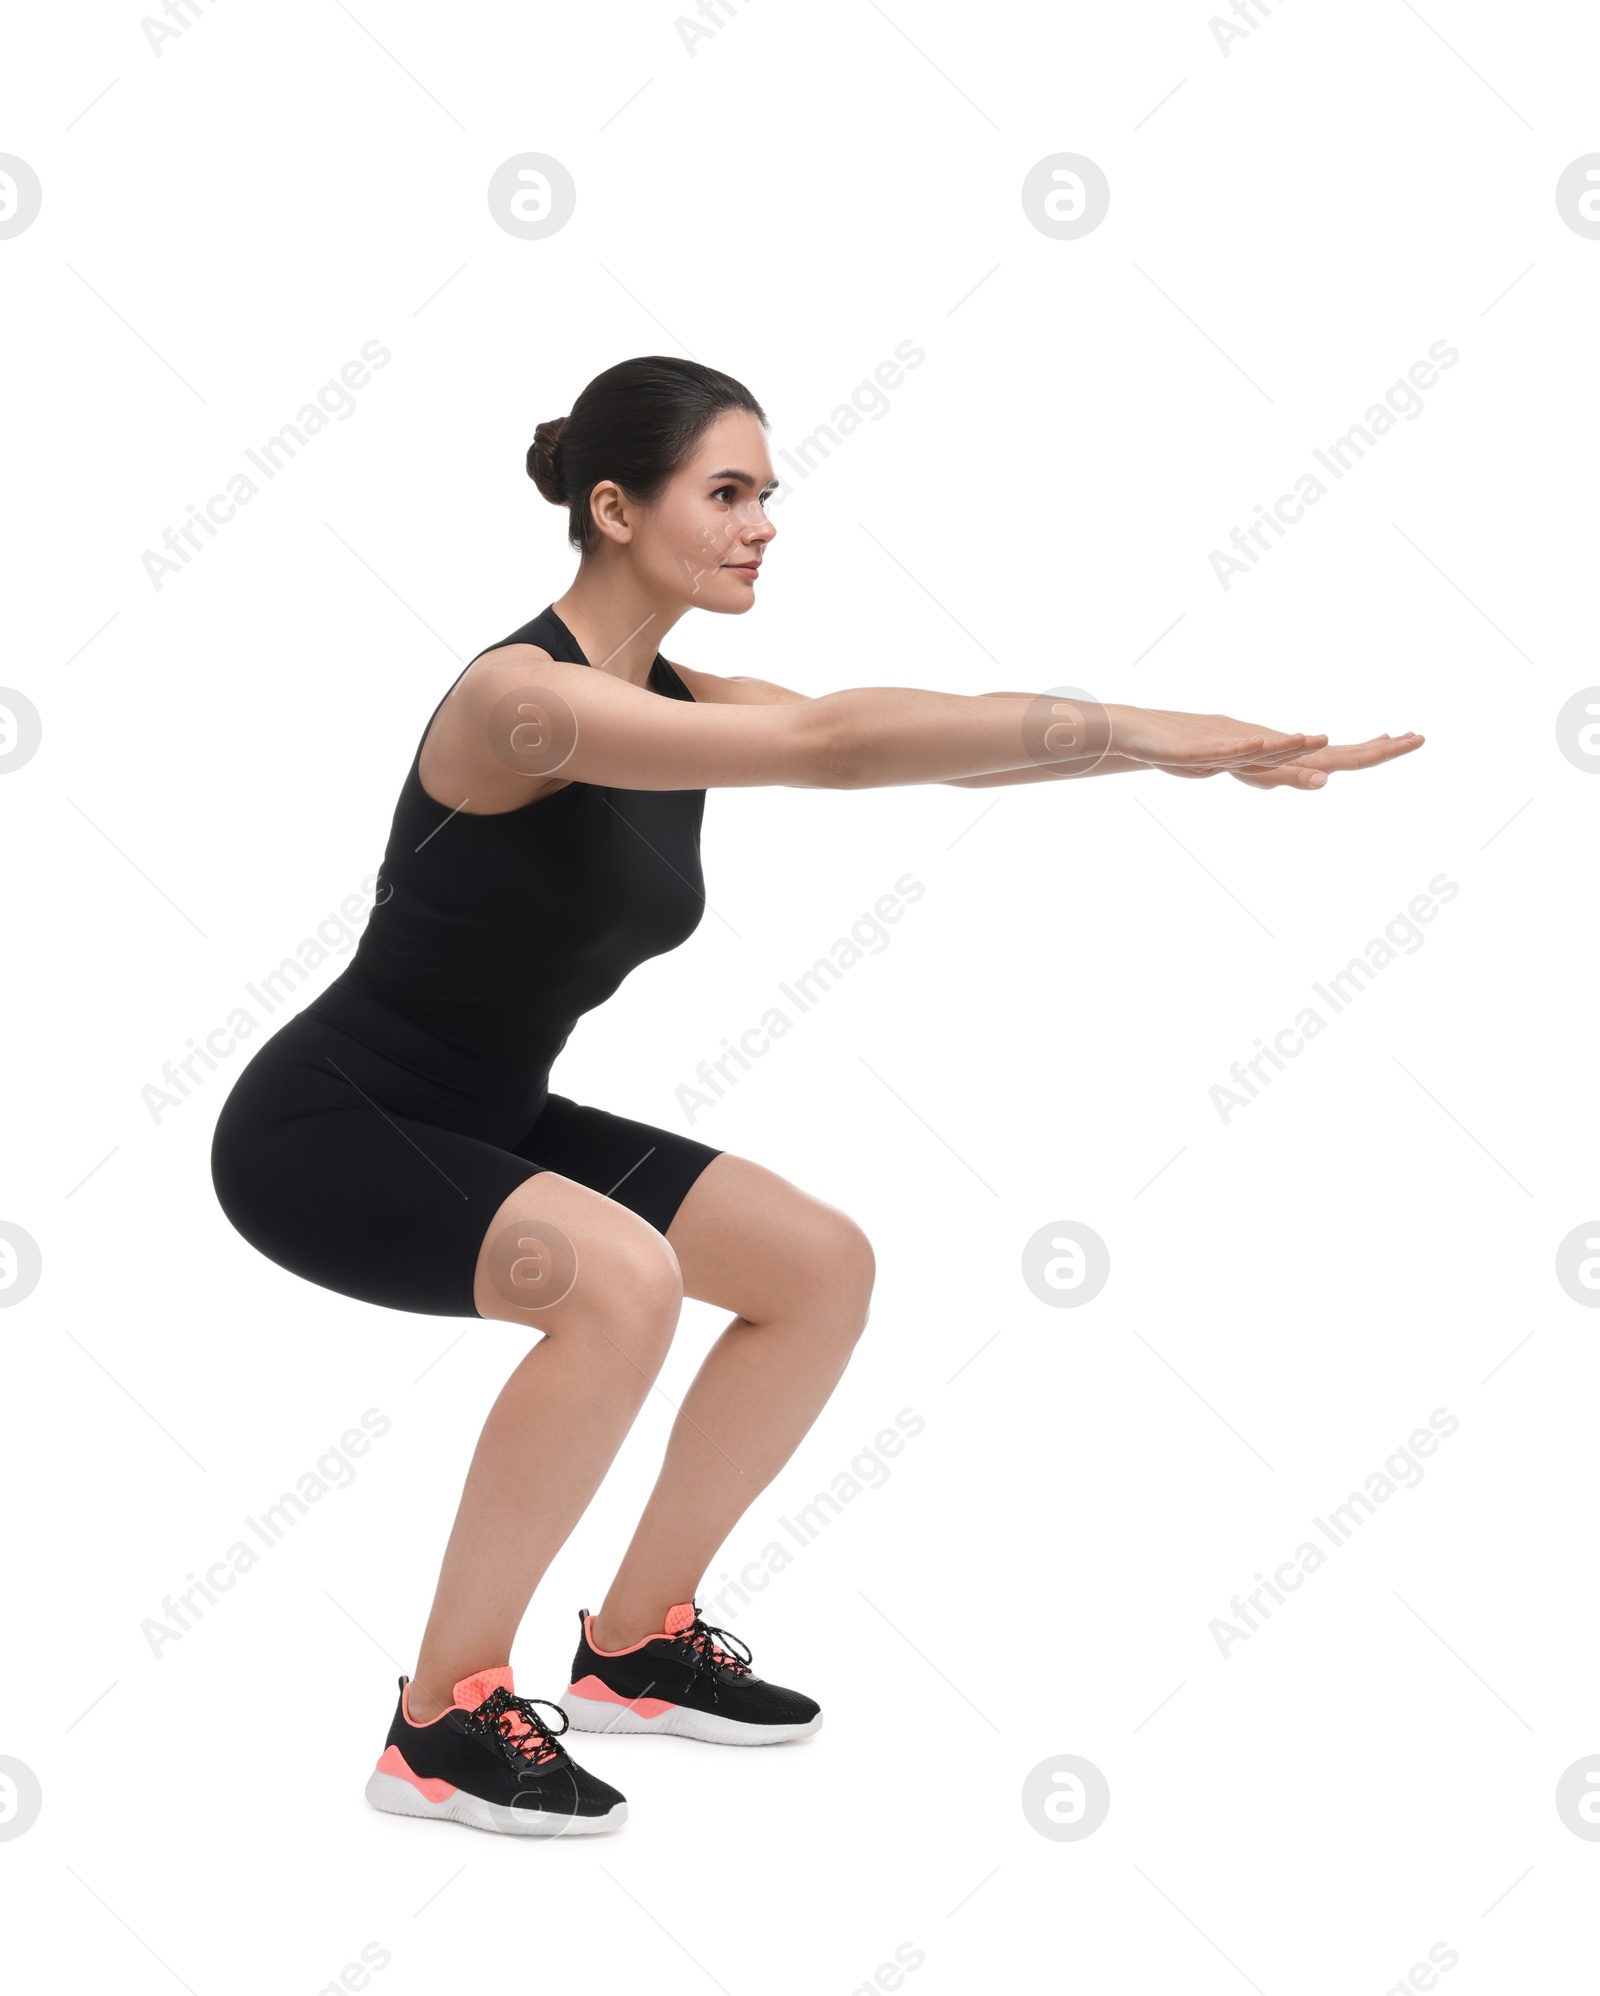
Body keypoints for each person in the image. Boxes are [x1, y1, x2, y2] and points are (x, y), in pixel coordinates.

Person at [209, 354, 1423, 1837]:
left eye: (768, 495)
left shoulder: (680, 696)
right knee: (622, 1280)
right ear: (612, 506)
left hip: (485, 1115)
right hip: (326, 1129)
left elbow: (893, 736)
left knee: (816, 1265)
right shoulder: (522, 702)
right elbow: (826, 743)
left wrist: (1154, 745)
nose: (762, 523)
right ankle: (440, 1718)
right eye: (726, 493)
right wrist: (1146, 727)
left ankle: (638, 1640)